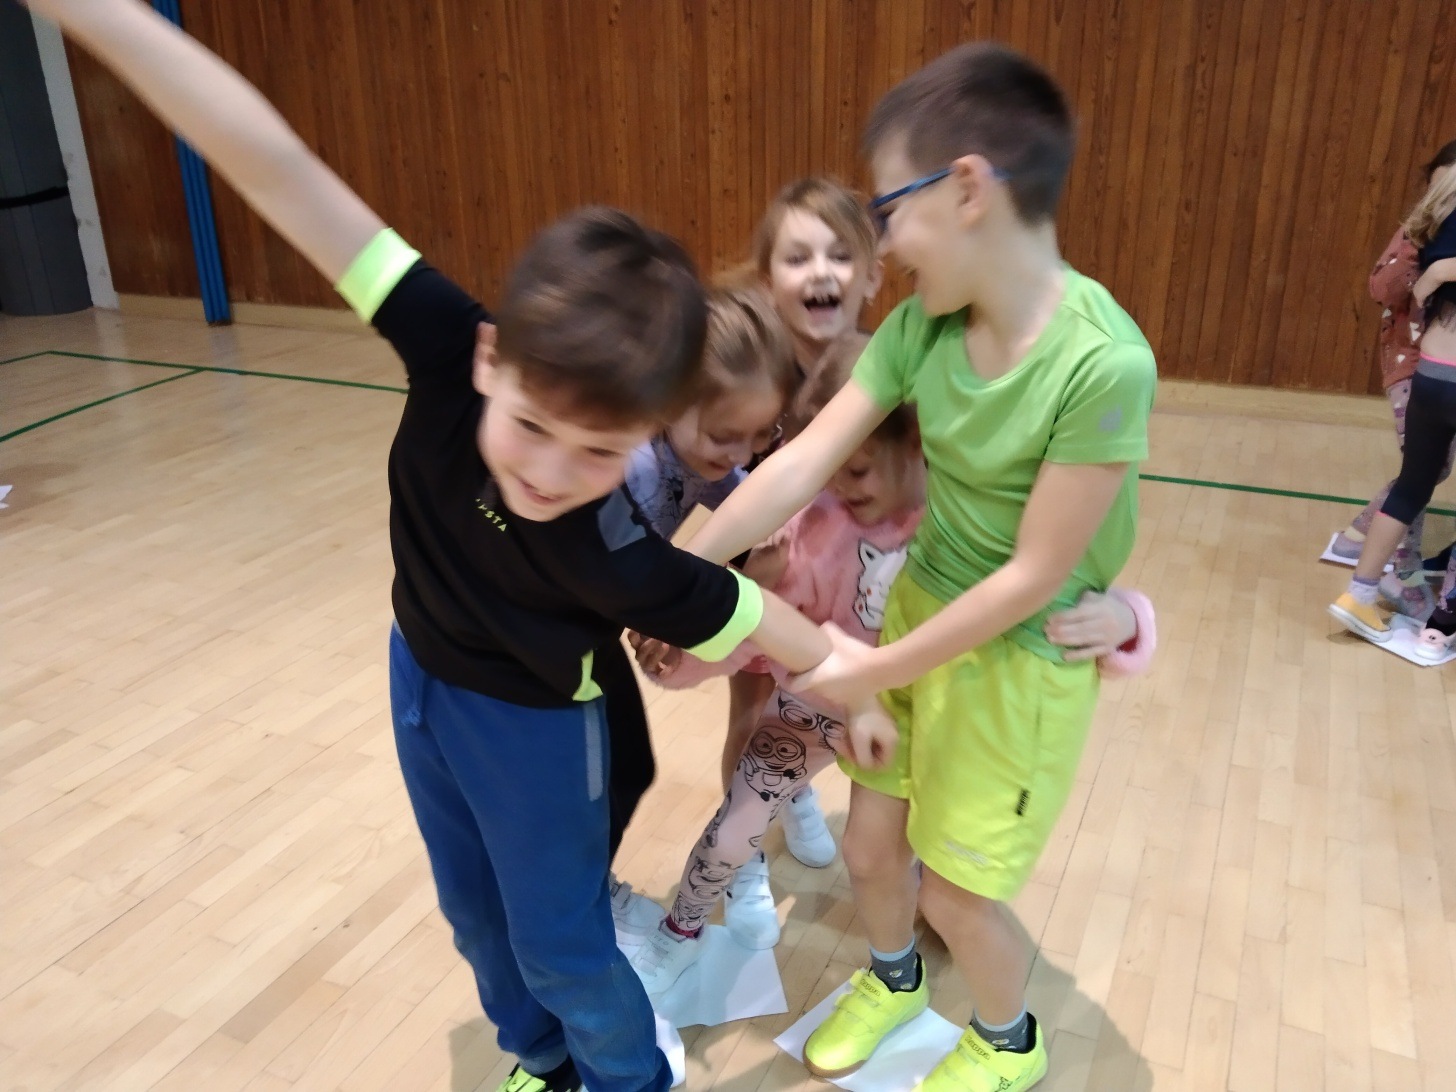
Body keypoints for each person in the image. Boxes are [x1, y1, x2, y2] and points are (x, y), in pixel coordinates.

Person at [27, 4, 900, 1091]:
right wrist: (99, 16)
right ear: (491, 358)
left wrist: (864, 694)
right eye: (533, 424)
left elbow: (770, 621)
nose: (551, 473)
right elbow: (276, 165)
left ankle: (631, 1078)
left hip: (541, 732)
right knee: (474, 922)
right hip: (421, 677)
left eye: (599, 452)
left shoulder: (619, 551)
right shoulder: (445, 342)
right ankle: (544, 1059)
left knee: (560, 943)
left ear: (645, 435)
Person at [684, 43, 1156, 1090]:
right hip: (918, 620)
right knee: (870, 851)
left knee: (956, 894)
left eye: (890, 209)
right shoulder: (919, 328)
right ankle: (893, 979)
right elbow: (798, 464)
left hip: (1017, 665)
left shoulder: (1104, 363)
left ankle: (1008, 1041)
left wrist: (871, 669)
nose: (885, 246)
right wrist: (677, 572)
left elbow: (1033, 576)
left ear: (969, 187)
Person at [628, 335, 1157, 997]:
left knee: (929, 879)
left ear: (919, 446)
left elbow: (1049, 589)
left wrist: (1127, 618)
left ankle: (913, 955)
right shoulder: (810, 530)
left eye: (857, 470)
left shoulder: (970, 525)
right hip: (820, 712)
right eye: (829, 469)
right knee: (736, 828)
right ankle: (679, 931)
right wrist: (681, 654)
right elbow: (759, 632)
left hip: (926, 729)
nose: (839, 488)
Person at [608, 284, 798, 941]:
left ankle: (586, 885)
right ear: (669, 401)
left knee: (625, 766)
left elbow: (755, 511)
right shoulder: (633, 468)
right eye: (726, 436)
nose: (740, 454)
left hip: (601, 627)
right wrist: (664, 617)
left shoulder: (706, 457)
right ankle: (575, 898)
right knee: (594, 773)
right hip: (554, 640)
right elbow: (604, 571)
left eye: (758, 436)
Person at [1331, 152, 1456, 659]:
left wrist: (1437, 272)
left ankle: (1359, 594)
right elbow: (1390, 285)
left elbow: (1423, 284)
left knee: (1412, 484)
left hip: (1432, 371)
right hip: (1431, 369)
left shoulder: (1438, 219)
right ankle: (1442, 623)